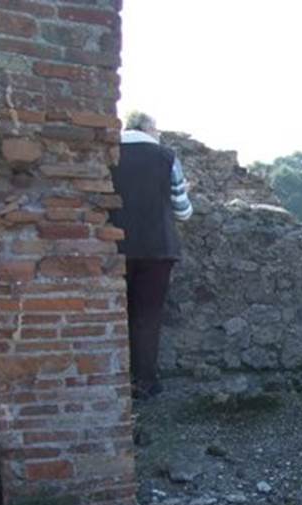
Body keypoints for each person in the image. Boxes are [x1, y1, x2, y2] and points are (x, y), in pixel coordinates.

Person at [109, 111, 193, 399]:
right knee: (147, 316)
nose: (159, 134)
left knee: (113, 313)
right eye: (156, 129)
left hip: (113, 246)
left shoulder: (107, 152)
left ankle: (111, 380)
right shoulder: (166, 156)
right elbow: (183, 210)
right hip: (158, 248)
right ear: (146, 128)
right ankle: (145, 382)